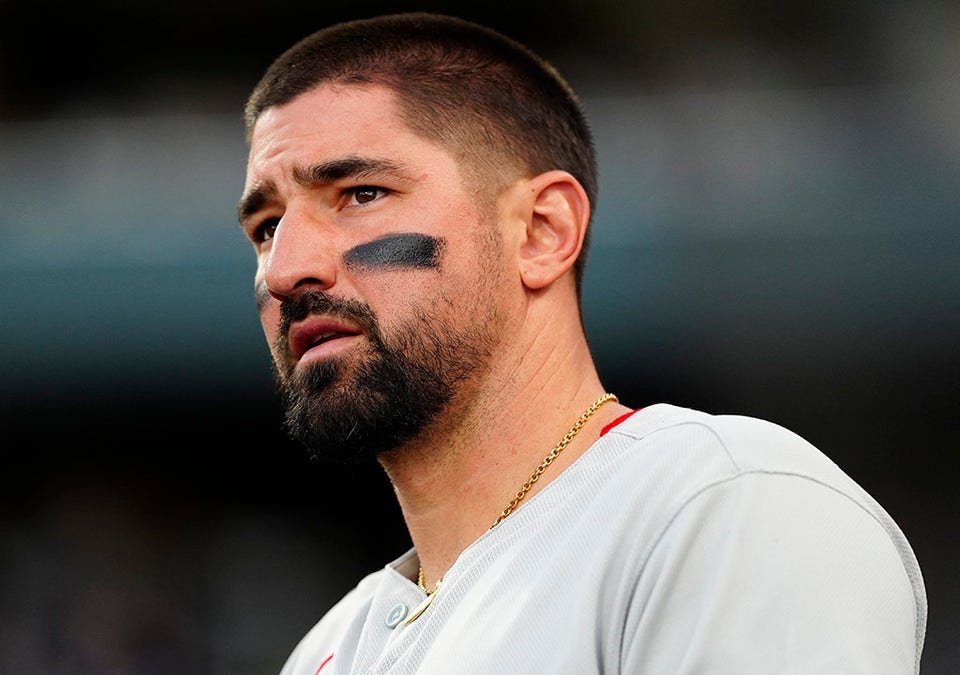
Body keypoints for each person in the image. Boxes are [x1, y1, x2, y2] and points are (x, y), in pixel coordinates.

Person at [235, 12, 927, 674]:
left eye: (360, 193)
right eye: (266, 228)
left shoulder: (721, 505)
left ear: (543, 231)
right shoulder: (325, 651)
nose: (285, 269)